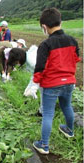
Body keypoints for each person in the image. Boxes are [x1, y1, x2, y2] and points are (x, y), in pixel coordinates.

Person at [25, 8, 80, 154]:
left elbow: (40, 67)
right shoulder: (73, 41)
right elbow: (76, 59)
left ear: (44, 27)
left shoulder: (46, 45)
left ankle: (44, 145)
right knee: (67, 106)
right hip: (69, 82)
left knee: (48, 113)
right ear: (60, 22)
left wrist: (34, 85)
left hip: (52, 84)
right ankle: (69, 130)